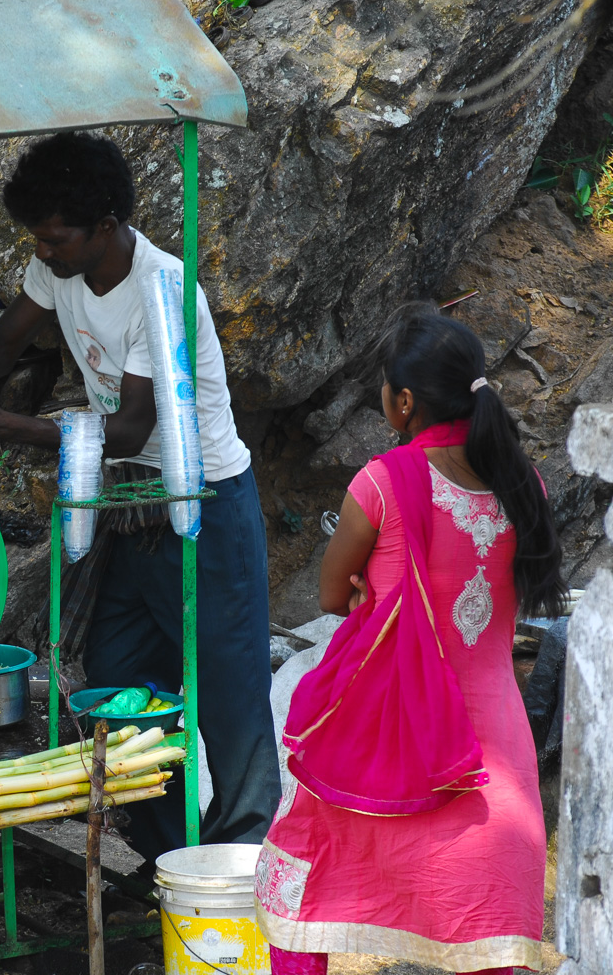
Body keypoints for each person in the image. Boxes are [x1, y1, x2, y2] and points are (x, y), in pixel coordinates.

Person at [0, 131, 280, 863]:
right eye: (37, 241)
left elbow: (135, 424)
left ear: (106, 227)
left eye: (55, 240)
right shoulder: (59, 270)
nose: (42, 253)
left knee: (227, 697)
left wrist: (8, 427)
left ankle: (240, 870)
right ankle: (166, 859)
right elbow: (0, 346)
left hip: (203, 502)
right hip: (126, 506)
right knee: (122, 686)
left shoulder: (163, 291)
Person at [255, 307, 565, 975]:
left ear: (402, 402)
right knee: (489, 936)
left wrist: (377, 587)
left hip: (390, 743)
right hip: (495, 761)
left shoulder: (383, 483)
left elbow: (333, 597)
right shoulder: (525, 485)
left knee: (301, 884)